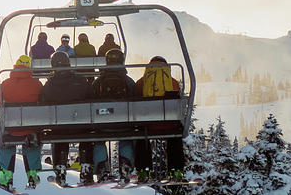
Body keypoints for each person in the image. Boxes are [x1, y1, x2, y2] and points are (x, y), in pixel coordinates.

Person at [39, 51, 92, 185]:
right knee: (87, 136)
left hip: (60, 127)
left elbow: (42, 102)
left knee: (58, 137)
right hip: (80, 126)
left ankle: (60, 169)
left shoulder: (50, 85)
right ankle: (86, 167)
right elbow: (92, 96)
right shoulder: (81, 80)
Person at [0, 54, 44, 189]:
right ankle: (32, 175)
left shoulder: (5, 83)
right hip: (30, 128)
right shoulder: (37, 84)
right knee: (32, 144)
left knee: (5, 143)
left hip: (11, 128)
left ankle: (6, 177)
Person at [88, 49, 136, 184]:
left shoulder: (98, 82)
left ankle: (102, 170)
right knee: (126, 139)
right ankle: (125, 167)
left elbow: (91, 99)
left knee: (99, 141)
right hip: (124, 124)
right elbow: (136, 99)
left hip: (102, 124)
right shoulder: (128, 81)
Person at [134, 56, 184, 180]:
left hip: (147, 125)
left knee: (141, 137)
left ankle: (143, 171)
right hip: (169, 124)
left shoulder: (141, 82)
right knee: (175, 138)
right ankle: (175, 171)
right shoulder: (173, 82)